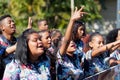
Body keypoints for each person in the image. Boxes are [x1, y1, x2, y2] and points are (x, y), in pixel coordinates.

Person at [56, 6, 87, 80]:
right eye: (69, 42)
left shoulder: (76, 57)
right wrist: (72, 20)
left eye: (72, 41)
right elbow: (66, 41)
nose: (72, 43)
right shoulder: (61, 58)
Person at [0, 14, 17, 79]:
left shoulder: (17, 41)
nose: (13, 23)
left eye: (13, 21)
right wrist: (15, 47)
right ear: (2, 27)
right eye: (9, 22)